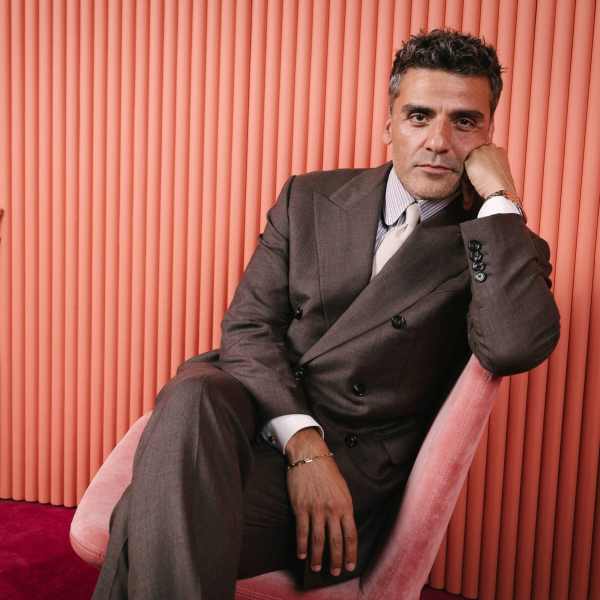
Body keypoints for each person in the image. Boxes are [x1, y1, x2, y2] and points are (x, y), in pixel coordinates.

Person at [92, 29, 560, 600]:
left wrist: (501, 201)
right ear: (388, 125)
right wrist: (303, 446)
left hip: (351, 465)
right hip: (261, 416)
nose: (438, 141)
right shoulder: (309, 197)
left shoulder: (501, 245)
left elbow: (512, 347)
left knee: (142, 514)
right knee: (193, 390)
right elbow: (248, 326)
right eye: (418, 116)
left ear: (489, 137)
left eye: (464, 122)